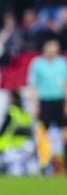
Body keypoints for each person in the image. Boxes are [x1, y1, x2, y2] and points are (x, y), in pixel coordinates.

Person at [27, 38, 67, 173]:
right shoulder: (37, 64)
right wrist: (34, 104)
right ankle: (43, 164)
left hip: (59, 101)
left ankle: (63, 165)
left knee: (64, 132)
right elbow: (33, 85)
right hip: (44, 101)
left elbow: (65, 84)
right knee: (42, 133)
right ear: (45, 50)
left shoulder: (61, 63)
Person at [0, 90, 33, 175]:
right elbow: (29, 130)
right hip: (24, 145)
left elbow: (2, 128)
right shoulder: (25, 113)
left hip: (10, 143)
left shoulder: (11, 111)